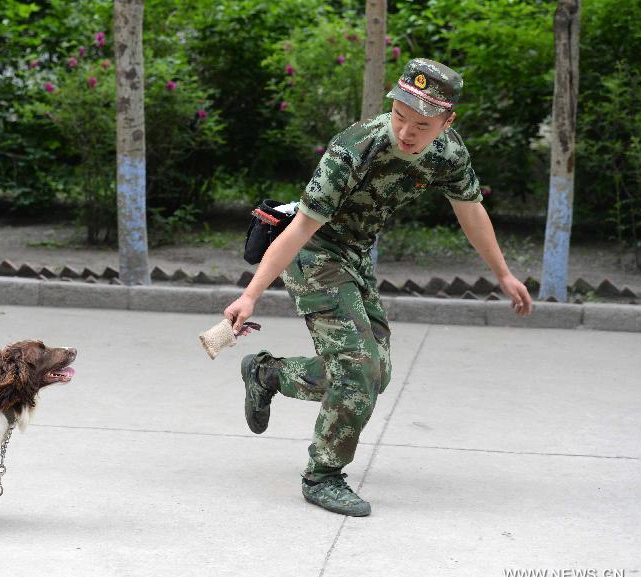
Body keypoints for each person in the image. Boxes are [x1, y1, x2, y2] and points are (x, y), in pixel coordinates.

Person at [223, 58, 533, 517]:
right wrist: (251, 294)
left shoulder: (447, 152)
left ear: (447, 122)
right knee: (356, 369)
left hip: (355, 255)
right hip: (314, 252)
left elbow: (470, 209)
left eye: (422, 124)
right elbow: (299, 230)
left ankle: (268, 374)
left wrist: (504, 273)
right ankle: (322, 475)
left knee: (374, 374)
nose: (406, 132)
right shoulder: (354, 147)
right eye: (400, 116)